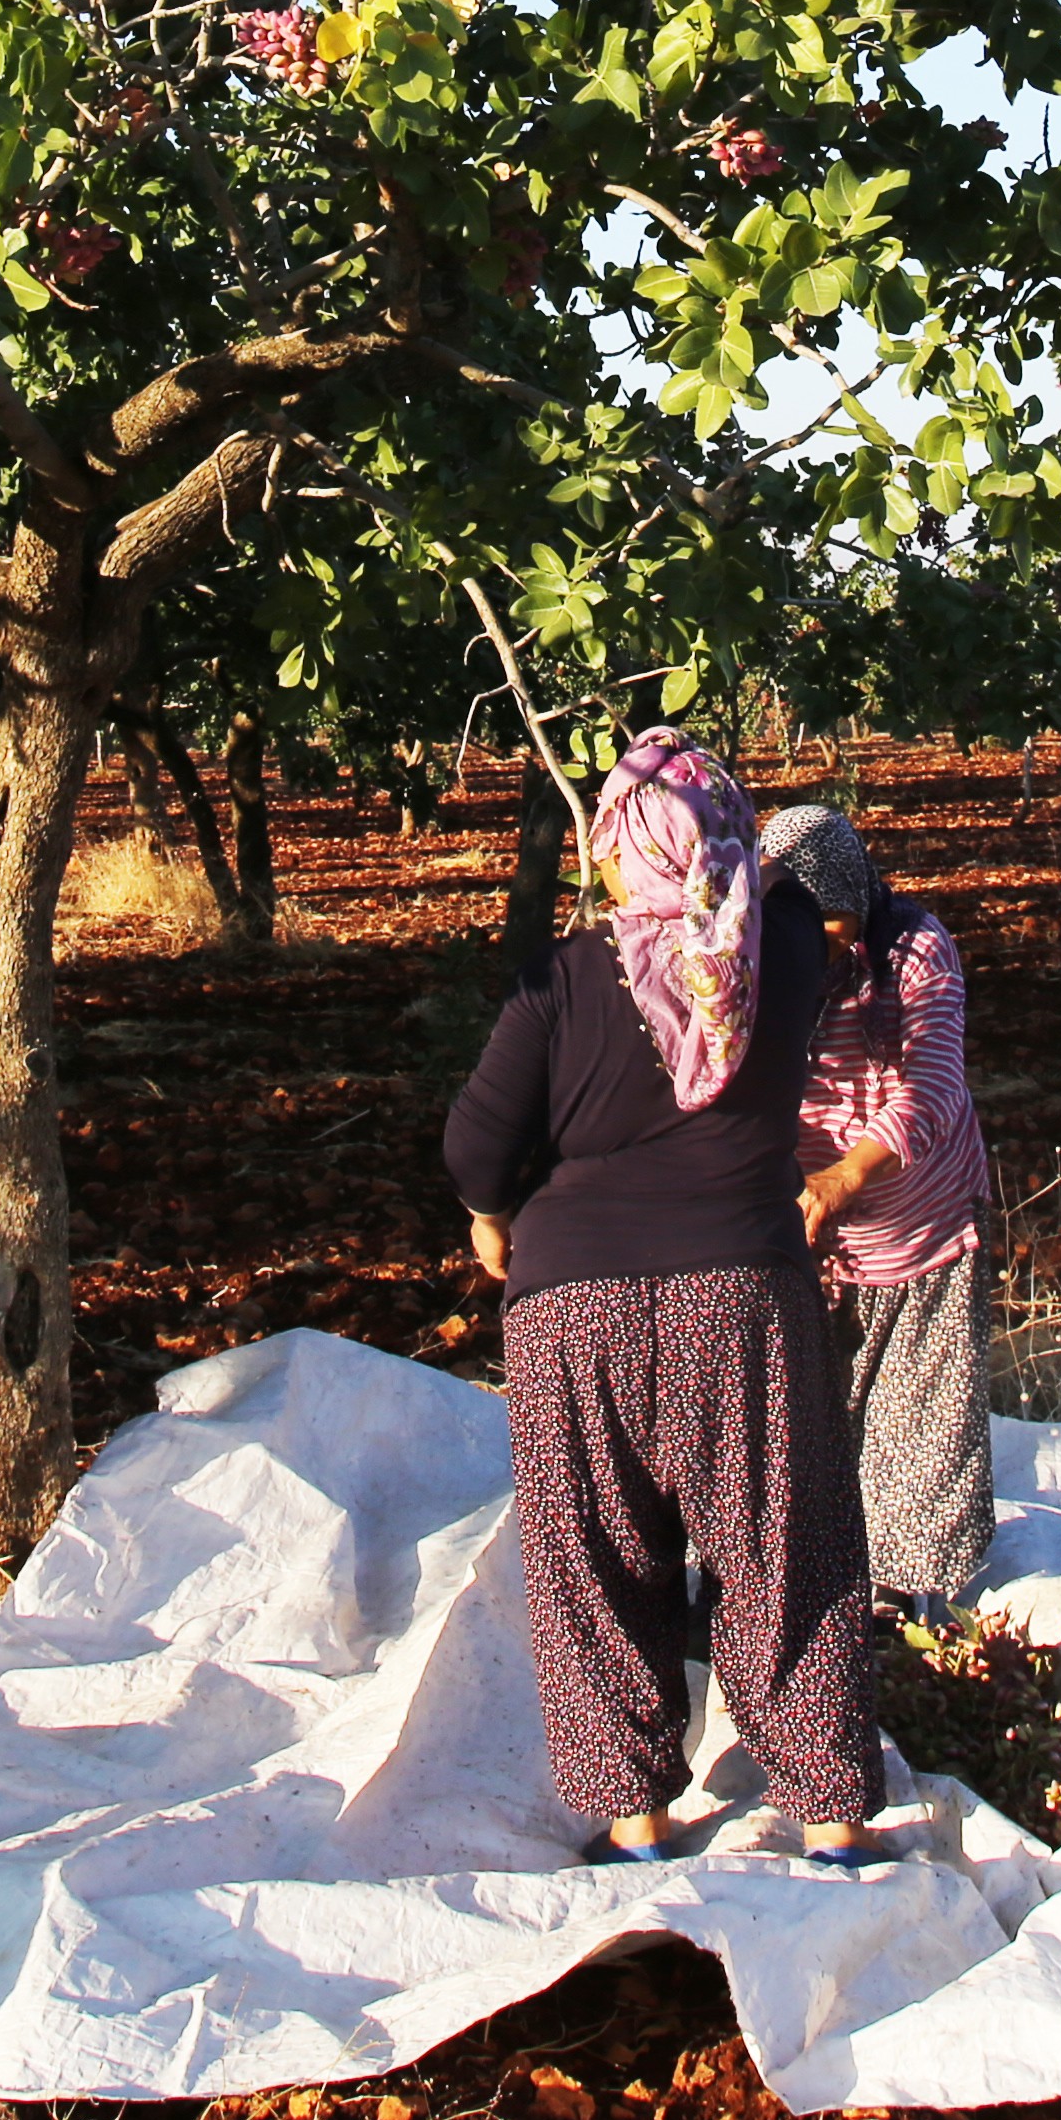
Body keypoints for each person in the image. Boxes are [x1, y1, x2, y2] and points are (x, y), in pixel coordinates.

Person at [443, 728, 886, 1863]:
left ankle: (636, 1824)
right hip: (740, 1293)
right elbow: (797, 869)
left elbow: (479, 1143)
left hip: (570, 1309)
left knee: (592, 1558)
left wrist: (493, 1213)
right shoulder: (783, 951)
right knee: (786, 1548)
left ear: (607, 849)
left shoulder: (563, 977)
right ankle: (829, 1820)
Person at [763, 800, 995, 1613]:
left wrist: (842, 1178)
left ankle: (903, 1598)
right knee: (813, 1412)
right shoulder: (759, 951)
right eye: (802, 919)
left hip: (918, 1215)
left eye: (833, 920)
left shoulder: (915, 949)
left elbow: (932, 1088)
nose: (819, 939)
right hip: (810, 1228)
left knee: (917, 1418)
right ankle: (809, 1580)